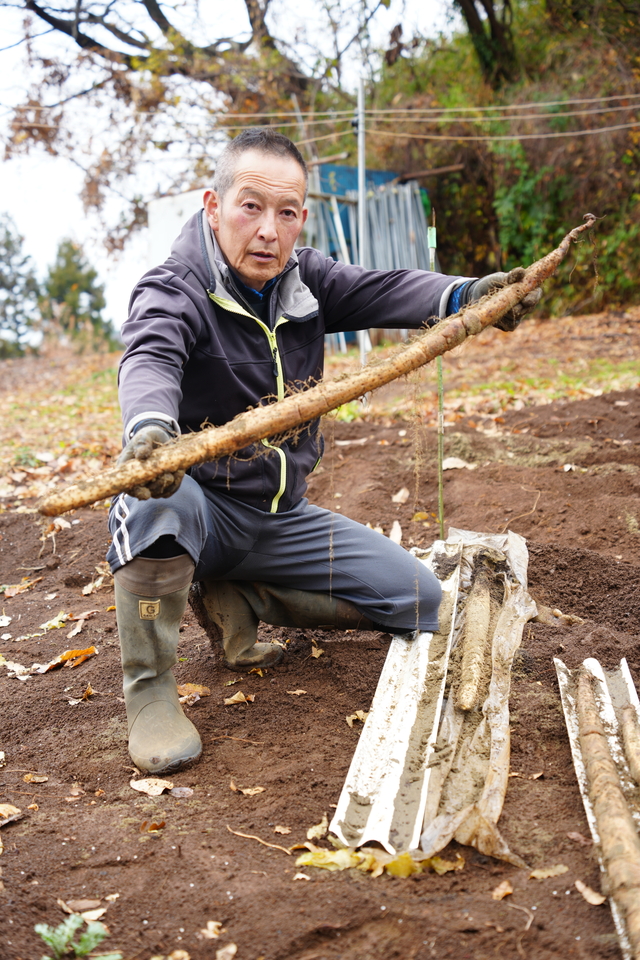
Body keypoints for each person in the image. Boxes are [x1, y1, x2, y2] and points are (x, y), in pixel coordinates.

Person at [108, 128, 540, 775]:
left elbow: (389, 289)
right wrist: (151, 433)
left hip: (281, 519)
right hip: (200, 512)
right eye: (250, 206)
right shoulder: (176, 287)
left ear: (302, 218)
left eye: (286, 213)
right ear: (212, 206)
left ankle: (245, 599)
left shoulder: (305, 280)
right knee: (152, 506)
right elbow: (150, 357)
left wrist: (471, 296)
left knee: (419, 599)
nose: (267, 231)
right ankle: (150, 693)